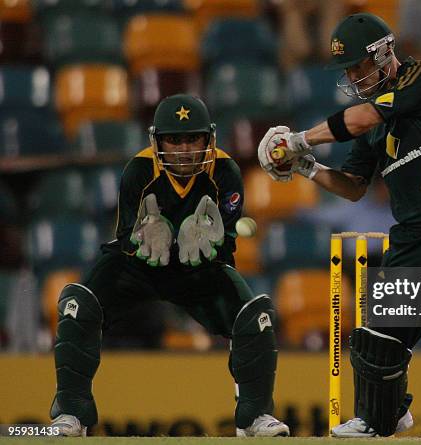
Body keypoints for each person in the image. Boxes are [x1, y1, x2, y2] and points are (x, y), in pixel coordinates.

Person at [258, 13, 421, 438]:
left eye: (359, 65)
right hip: (414, 232)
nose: (354, 76)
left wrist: (298, 139)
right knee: (377, 338)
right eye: (348, 70)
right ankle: (383, 417)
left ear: (385, 51)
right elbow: (354, 186)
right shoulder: (368, 124)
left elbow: (364, 118)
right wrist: (306, 166)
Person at [49, 94, 290, 437]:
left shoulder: (225, 171)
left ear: (209, 138)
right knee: (78, 304)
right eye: (174, 140)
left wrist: (209, 243)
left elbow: (229, 248)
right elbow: (125, 236)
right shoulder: (139, 169)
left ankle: (255, 417)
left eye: (193, 138)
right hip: (138, 267)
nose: (184, 148)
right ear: (157, 140)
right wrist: (151, 235)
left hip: (197, 269)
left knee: (255, 315)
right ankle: (71, 414)